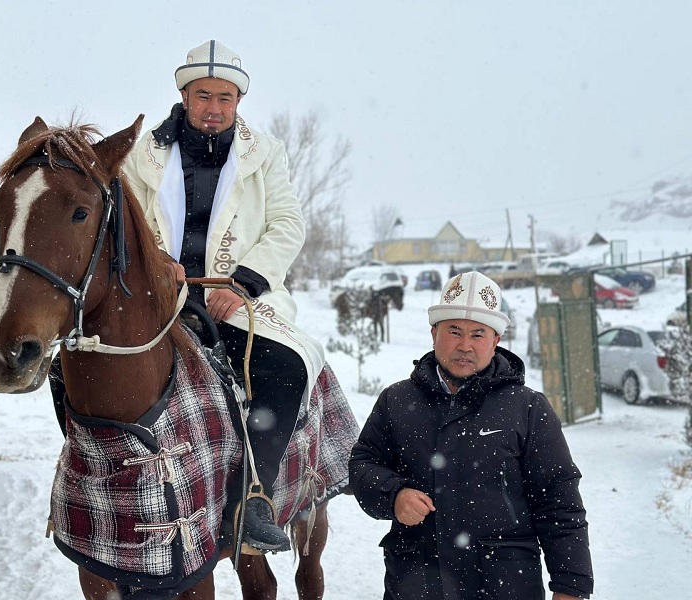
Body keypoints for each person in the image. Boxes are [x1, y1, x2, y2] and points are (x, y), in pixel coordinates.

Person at [122, 40, 324, 553]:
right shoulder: (142, 156)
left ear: (238, 102)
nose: (214, 109)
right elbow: (127, 227)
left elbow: (286, 223)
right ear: (184, 95)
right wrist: (159, 270)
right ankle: (104, 478)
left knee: (284, 365)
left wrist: (243, 283)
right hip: (158, 295)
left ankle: (254, 497)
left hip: (239, 297)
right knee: (75, 365)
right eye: (204, 96)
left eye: (226, 98)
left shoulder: (265, 153)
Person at [349, 271, 593, 599]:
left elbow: (559, 500)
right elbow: (362, 465)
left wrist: (571, 586)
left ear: (496, 341)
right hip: (416, 582)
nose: (465, 346)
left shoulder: (527, 407)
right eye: (454, 331)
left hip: (505, 584)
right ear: (434, 333)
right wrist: (393, 496)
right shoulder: (397, 400)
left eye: (478, 334)